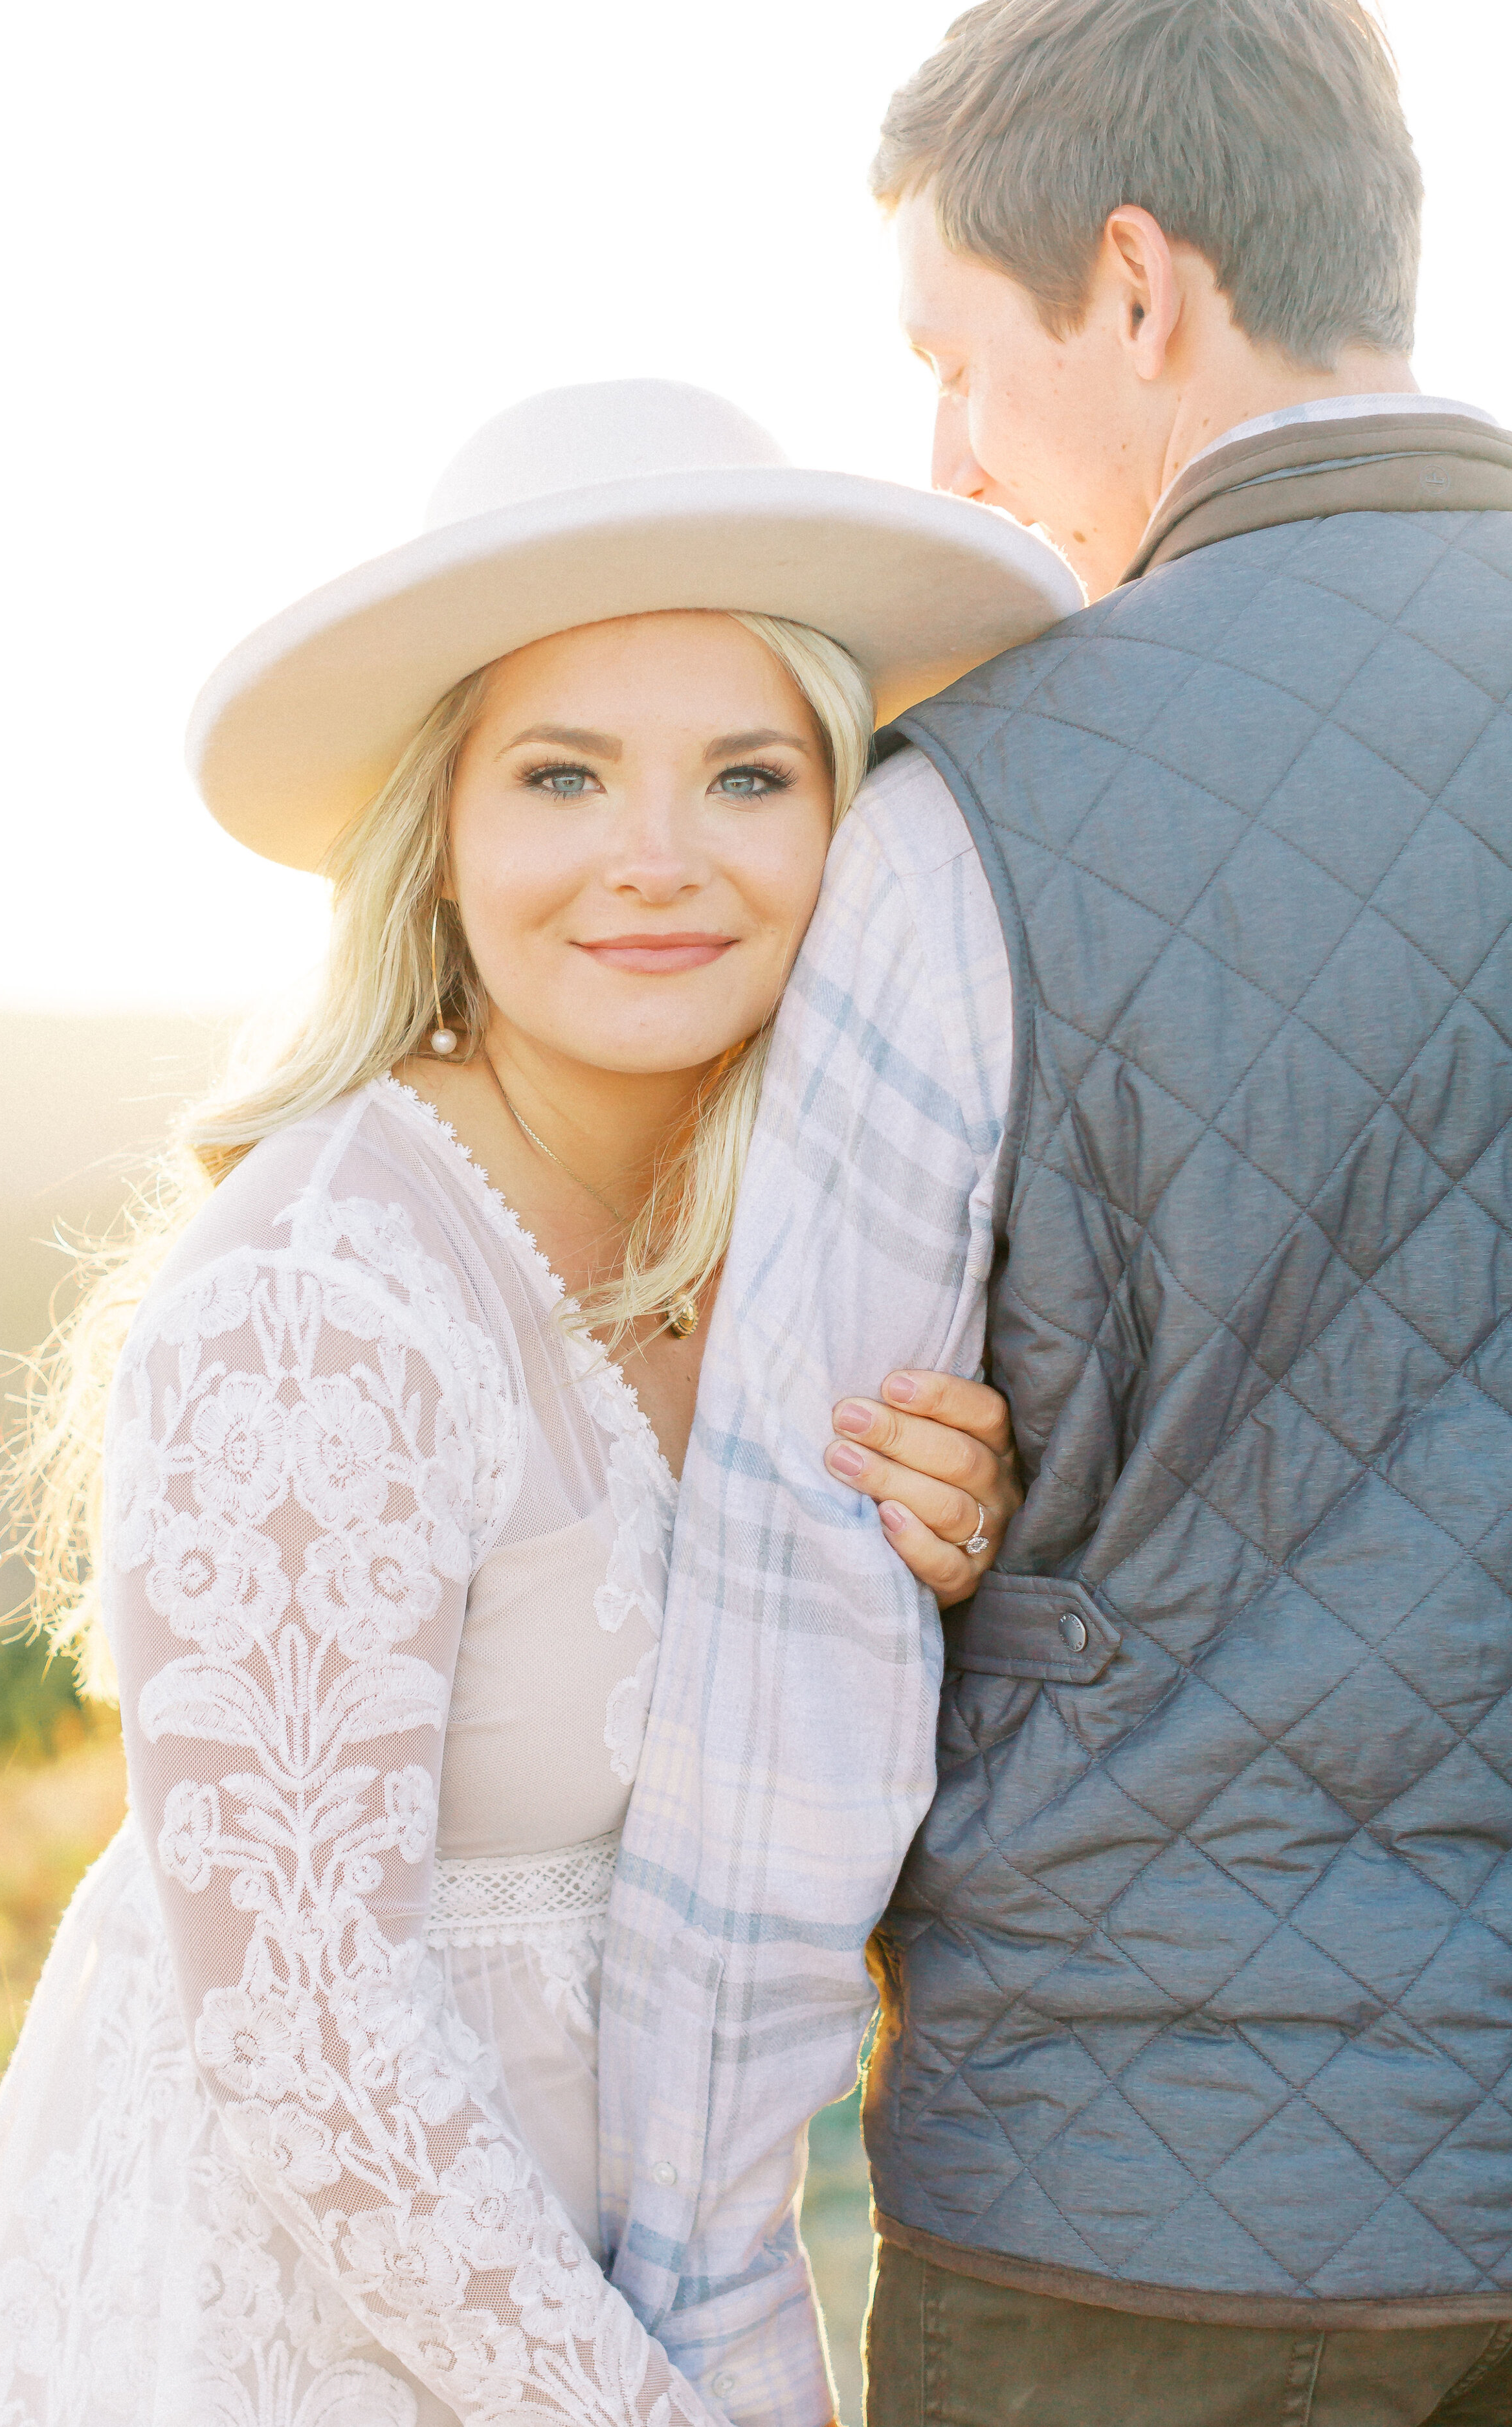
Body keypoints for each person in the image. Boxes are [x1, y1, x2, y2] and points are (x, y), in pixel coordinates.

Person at [0, 378, 1078, 2426]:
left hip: (640, 2268)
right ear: (438, 841)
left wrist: (952, 1558)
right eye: (560, 778)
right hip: (313, 2319)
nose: (657, 861)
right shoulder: (319, 1303)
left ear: (847, 825)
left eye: (745, 777)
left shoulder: (836, 1248)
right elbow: (306, 2034)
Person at [599, 5, 1512, 2424]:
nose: (945, 457)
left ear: (1134, 286)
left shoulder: (965, 818)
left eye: (955, 360)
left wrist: (698, 2295)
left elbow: (793, 1620)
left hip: (1129, 2242)